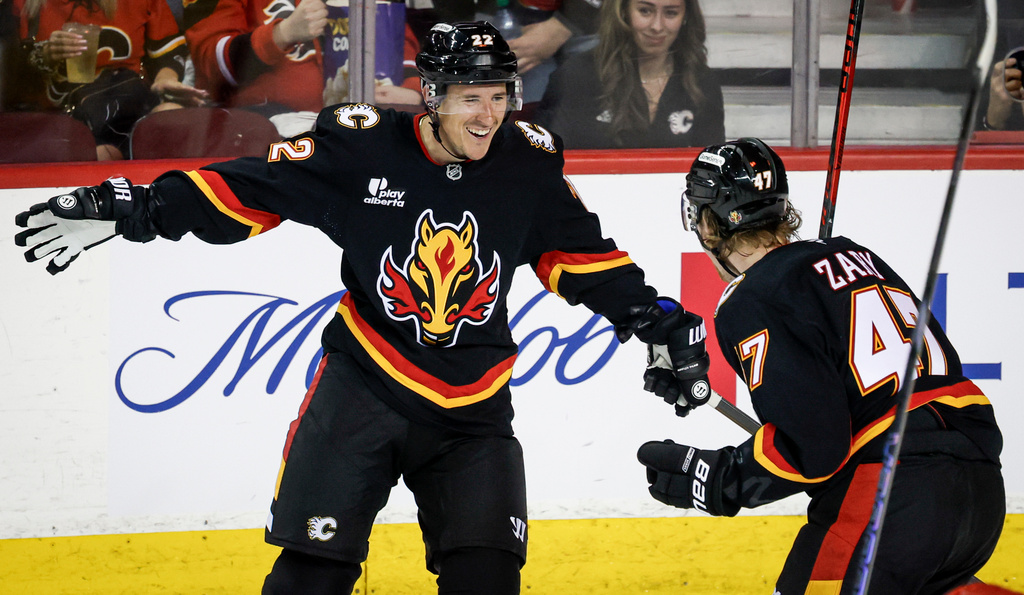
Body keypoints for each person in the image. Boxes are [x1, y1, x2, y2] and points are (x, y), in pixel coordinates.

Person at [14, 21, 711, 594]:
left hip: (474, 409)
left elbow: (582, 259)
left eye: (500, 96)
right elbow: (250, 189)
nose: (489, 114)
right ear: (432, 96)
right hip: (361, 391)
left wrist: (654, 321)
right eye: (471, 98)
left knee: (489, 580)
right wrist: (138, 205)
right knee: (309, 579)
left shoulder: (526, 165)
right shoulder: (362, 144)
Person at [636, 138, 1005, 594]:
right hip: (981, 492)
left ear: (708, 226)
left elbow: (815, 447)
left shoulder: (749, 297)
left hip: (889, 499)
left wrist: (723, 477)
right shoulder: (857, 255)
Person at [183, 0, 422, 137]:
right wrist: (281, 35)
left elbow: (397, 38)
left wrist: (412, 91)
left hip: (358, 126)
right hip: (265, 133)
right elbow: (209, 64)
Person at [14, 0, 209, 160]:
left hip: (129, 102)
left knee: (170, 117)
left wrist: (165, 79)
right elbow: (13, 81)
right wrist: (45, 55)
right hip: (60, 117)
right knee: (95, 154)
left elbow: (167, 52)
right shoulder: (25, 5)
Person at [533, 0, 722, 148]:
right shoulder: (576, 74)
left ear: (686, 17)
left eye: (671, 13)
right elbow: (544, 161)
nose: (657, 26)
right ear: (623, 11)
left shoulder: (702, 82)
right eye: (645, 11)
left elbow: (712, 169)